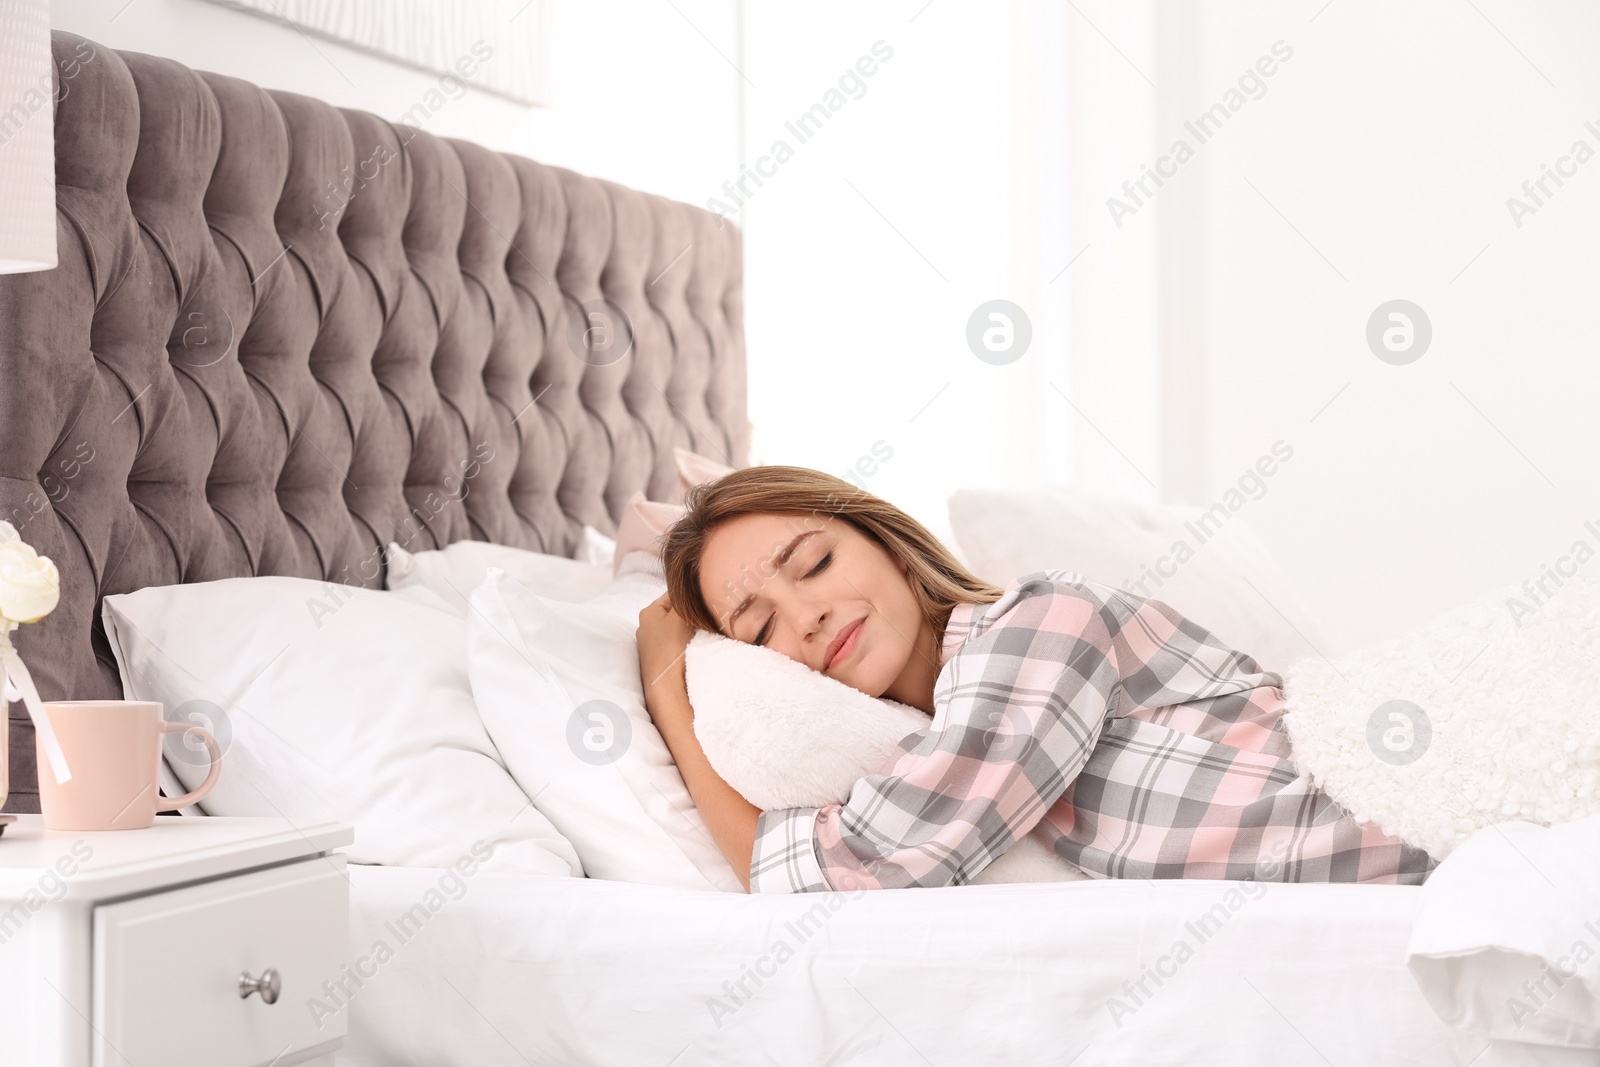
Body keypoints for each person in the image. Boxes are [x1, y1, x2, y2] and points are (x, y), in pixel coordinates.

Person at [636, 465, 1437, 894]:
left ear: (886, 541)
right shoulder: (932, 734)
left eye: (812, 563)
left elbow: (849, 864)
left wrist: (666, 688)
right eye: (761, 626)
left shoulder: (1038, 623)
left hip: (1425, 794)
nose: (804, 614)